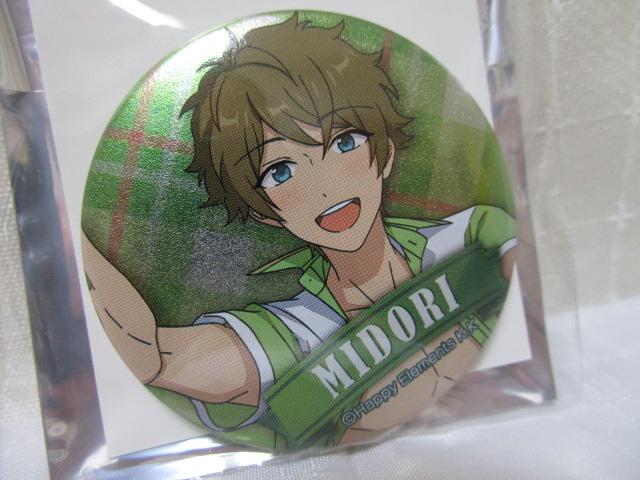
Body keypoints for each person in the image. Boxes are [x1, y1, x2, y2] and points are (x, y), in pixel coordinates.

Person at [82, 14, 516, 447]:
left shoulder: (470, 235)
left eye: (343, 142)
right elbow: (156, 359)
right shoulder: (292, 329)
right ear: (266, 212)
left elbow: (516, 278)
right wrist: (69, 240)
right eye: (280, 170)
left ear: (384, 153)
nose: (324, 185)